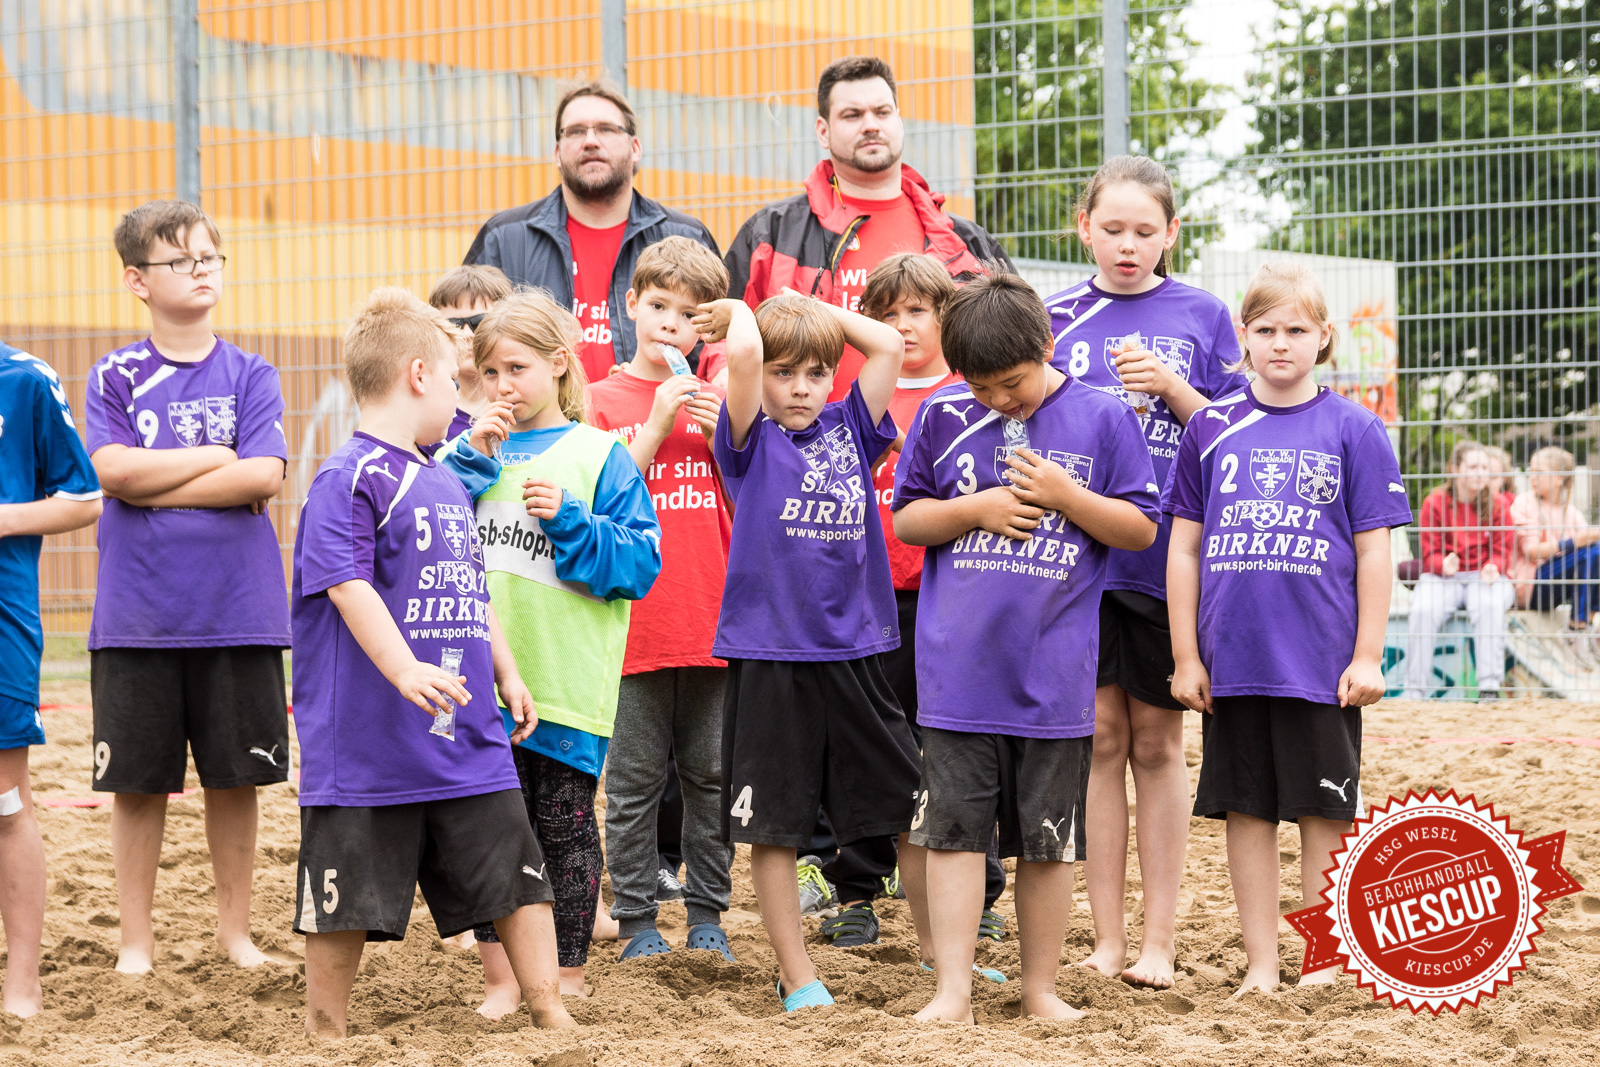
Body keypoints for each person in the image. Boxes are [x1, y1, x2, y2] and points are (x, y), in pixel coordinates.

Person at [290, 287, 572, 1037]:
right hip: (369, 743)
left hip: (464, 735)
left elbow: (470, 591)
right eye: (455, 377)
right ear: (418, 374)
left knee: (518, 875)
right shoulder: (348, 476)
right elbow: (347, 582)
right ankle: (327, 1028)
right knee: (343, 898)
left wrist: (505, 669)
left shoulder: (444, 477)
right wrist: (404, 668)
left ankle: (550, 1008)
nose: (462, 394)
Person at [894, 273, 1160, 1023]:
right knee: (950, 835)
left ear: (1047, 346)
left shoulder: (1103, 418)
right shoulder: (944, 415)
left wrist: (1065, 494)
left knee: (1047, 842)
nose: (998, 401)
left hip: (1054, 677)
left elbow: (1140, 528)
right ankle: (953, 989)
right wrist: (974, 508)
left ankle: (1039, 987)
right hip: (956, 675)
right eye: (980, 387)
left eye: (1010, 383)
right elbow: (908, 520)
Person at [1165, 261, 1411, 995]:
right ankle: (1263, 962)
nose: (1280, 343)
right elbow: (1183, 546)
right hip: (1233, 663)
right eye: (1265, 329)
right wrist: (1185, 655)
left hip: (1320, 665)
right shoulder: (1209, 425)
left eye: (1296, 329)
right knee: (1248, 811)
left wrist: (1368, 653)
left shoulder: (1356, 429)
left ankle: (1326, 958)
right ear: (1242, 336)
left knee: (1322, 812)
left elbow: (1375, 550)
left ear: (1325, 337)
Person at [1044, 155, 1249, 988]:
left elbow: (1240, 433)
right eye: (1112, 228)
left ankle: (1158, 938)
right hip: (1079, 563)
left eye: (1145, 231)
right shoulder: (1054, 315)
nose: (1128, 245)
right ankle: (1103, 937)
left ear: (1171, 233)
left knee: (1160, 742)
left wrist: (1174, 389)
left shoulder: (1203, 313)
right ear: (1083, 227)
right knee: (1098, 738)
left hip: (1168, 564)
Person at [692, 290, 927, 1011]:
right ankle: (797, 974)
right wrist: (745, 306)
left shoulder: (850, 427)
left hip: (857, 652)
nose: (799, 387)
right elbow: (742, 353)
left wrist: (809, 307)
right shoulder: (746, 439)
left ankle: (938, 957)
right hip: (772, 658)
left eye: (815, 373)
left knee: (917, 804)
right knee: (777, 825)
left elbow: (886, 344)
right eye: (784, 372)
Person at [439, 289, 661, 1012]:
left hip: (566, 684)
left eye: (517, 367)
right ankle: (503, 979)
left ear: (560, 363)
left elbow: (637, 565)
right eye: (489, 373)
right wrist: (470, 463)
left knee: (564, 832)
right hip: (479, 689)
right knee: (491, 838)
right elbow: (428, 535)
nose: (503, 387)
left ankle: (566, 973)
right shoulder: (465, 453)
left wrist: (570, 519)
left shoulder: (601, 455)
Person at [85, 200, 290, 975]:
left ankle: (234, 933)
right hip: (138, 616)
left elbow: (263, 474)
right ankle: (135, 941)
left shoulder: (253, 373)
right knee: (137, 785)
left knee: (237, 779)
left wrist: (152, 482)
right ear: (138, 280)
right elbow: (111, 471)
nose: (203, 269)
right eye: (183, 260)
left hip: (236, 613)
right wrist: (215, 456)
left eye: (211, 256)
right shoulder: (115, 373)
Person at [585, 237, 736, 962]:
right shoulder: (597, 400)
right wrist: (652, 427)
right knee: (636, 780)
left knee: (711, 775)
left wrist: (725, 436)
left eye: (689, 315)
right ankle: (639, 916)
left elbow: (744, 498)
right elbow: (596, 498)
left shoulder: (723, 395)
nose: (672, 325)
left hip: (711, 617)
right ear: (630, 305)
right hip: (634, 623)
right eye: (658, 307)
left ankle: (708, 911)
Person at [856, 253, 1010, 951]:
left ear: (947, 316)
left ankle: (977, 891)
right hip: (873, 598)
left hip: (955, 600)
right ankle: (859, 887)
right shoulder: (857, 395)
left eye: (917, 309)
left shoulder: (977, 393)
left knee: (964, 747)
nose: (903, 325)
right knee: (883, 752)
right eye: (886, 314)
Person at [720, 55, 1013, 399]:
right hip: (808, 447)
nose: (871, 125)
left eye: (882, 112)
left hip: (948, 444)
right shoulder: (771, 234)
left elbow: (1013, 350)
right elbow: (718, 337)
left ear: (899, 121)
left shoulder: (967, 243)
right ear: (823, 131)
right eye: (852, 115)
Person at [464, 81, 720, 383]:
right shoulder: (505, 239)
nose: (590, 141)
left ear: (635, 148)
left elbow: (717, 344)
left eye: (606, 129)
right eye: (575, 131)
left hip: (659, 421)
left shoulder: (685, 237)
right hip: (538, 426)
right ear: (557, 153)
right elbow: (465, 340)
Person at [0, 343, 102, 1017]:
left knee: (6, 799)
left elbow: (85, 495)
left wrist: (5, 517)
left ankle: (22, 982)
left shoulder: (25, 379)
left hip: (3, 621)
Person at [1405, 440, 1514, 702]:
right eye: (1473, 466)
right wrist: (1442, 564)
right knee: (1423, 609)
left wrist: (1493, 566)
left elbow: (1503, 551)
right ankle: (1413, 691)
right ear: (1455, 469)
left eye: (1485, 467)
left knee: (1489, 606)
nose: (1480, 473)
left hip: (1483, 576)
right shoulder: (1435, 502)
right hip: (1445, 577)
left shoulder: (1499, 505)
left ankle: (1489, 687)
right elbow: (1428, 553)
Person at [1511, 445, 1600, 667]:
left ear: (1559, 478)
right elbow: (1531, 552)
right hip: (1533, 585)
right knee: (1586, 553)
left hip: (1558, 586)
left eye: (1539, 472)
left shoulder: (1571, 512)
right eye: (1532, 471)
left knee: (1596, 551)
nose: (1533, 477)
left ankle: (1587, 624)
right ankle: (1576, 629)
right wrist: (1571, 543)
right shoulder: (1525, 503)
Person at [428, 264, 514, 441]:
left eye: (479, 322)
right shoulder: (430, 419)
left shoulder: (527, 411)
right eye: (454, 324)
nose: (467, 334)